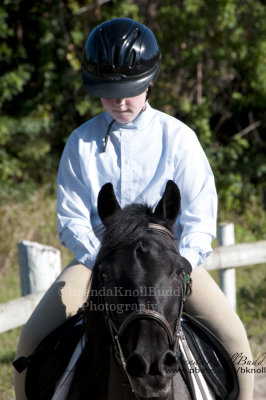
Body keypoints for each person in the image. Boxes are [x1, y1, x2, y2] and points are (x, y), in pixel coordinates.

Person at [14, 18, 253, 400]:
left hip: (169, 264)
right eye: (109, 92)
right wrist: (103, 261)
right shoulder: (80, 143)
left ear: (149, 81)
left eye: (129, 90)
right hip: (99, 263)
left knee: (236, 339)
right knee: (30, 341)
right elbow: (71, 217)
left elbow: (199, 216)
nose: (120, 100)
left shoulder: (179, 139)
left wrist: (184, 264)